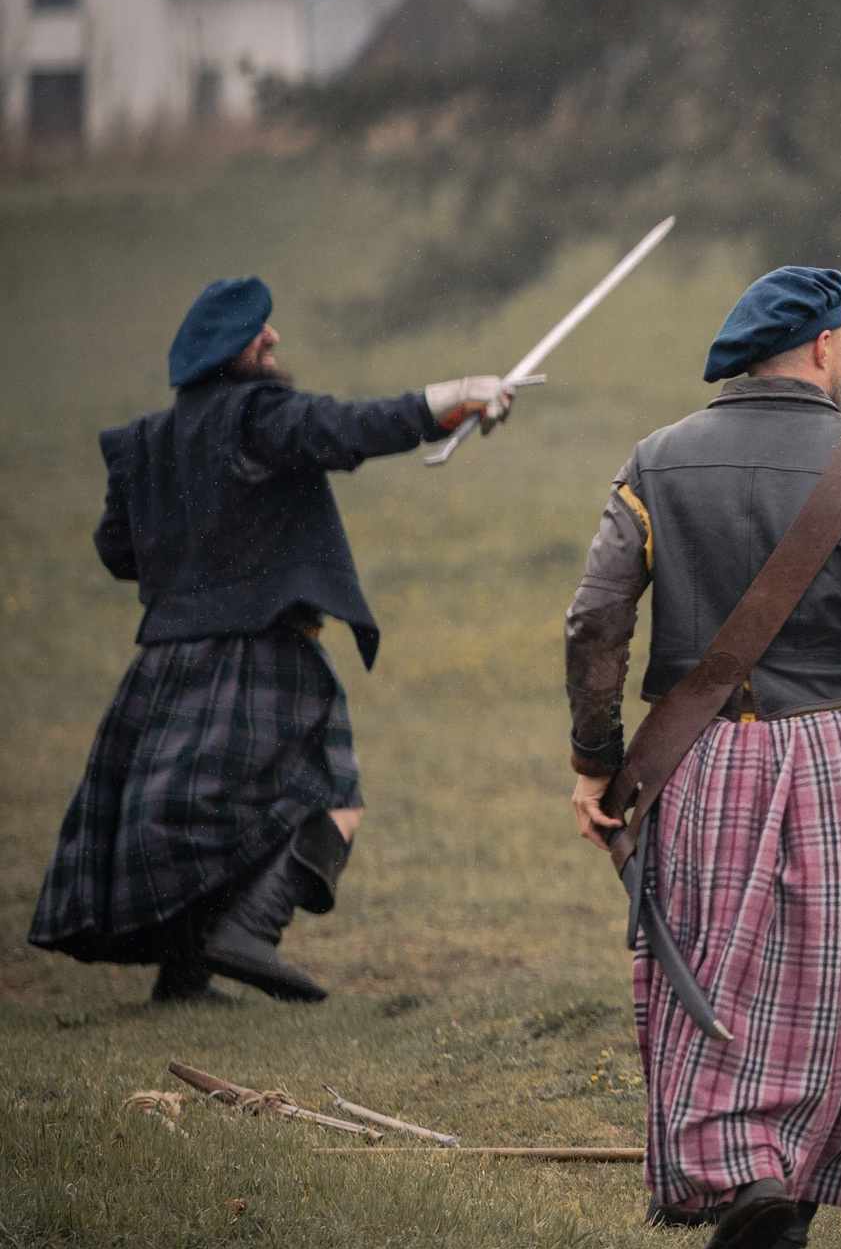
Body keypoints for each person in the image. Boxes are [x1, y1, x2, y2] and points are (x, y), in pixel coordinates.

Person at [566, 268, 841, 1249]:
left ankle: (740, 1186)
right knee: (834, 1006)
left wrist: (595, 757)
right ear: (830, 347)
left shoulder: (655, 461)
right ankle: (778, 1248)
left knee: (717, 987)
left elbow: (595, 623)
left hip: (697, 760)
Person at [29, 275, 514, 1003]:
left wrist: (201, 550)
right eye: (261, 332)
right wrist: (452, 396)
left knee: (198, 823)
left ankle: (183, 976)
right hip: (259, 651)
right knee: (332, 792)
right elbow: (343, 428)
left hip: (167, 662)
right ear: (233, 353)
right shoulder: (256, 418)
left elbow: (117, 551)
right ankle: (251, 929)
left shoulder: (145, 443)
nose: (274, 338)